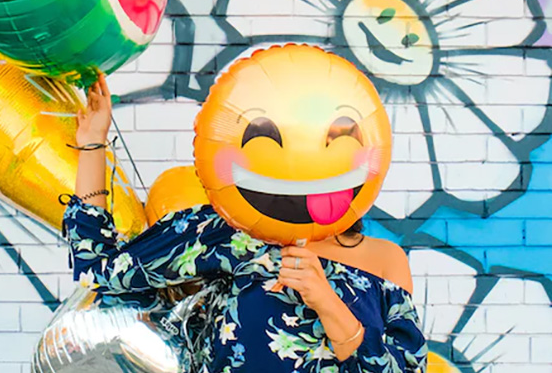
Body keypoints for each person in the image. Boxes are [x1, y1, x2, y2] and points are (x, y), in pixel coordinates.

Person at [63, 75, 427, 372]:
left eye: (327, 140)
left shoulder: (384, 261)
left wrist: (328, 303)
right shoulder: (225, 233)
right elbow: (102, 270)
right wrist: (93, 144)